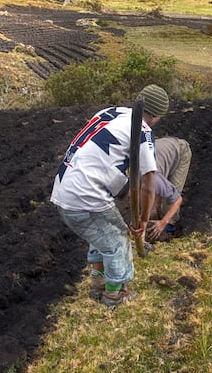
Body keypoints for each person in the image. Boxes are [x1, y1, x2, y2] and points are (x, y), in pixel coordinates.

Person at [50, 84, 169, 309]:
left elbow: (99, 160)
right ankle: (114, 294)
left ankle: (97, 285)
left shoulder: (109, 113)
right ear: (157, 115)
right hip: (86, 197)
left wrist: (123, 190)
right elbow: (148, 184)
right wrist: (143, 221)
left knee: (101, 236)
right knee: (117, 241)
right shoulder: (143, 131)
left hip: (65, 188)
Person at [153, 136, 192, 236]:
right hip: (165, 150)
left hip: (180, 150)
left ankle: (169, 228)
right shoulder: (135, 177)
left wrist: (163, 221)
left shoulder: (153, 178)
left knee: (169, 198)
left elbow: (177, 200)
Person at [145, 172, 183, 242]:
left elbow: (178, 200)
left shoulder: (155, 180)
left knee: (171, 196)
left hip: (176, 162)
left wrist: (163, 222)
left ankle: (168, 230)